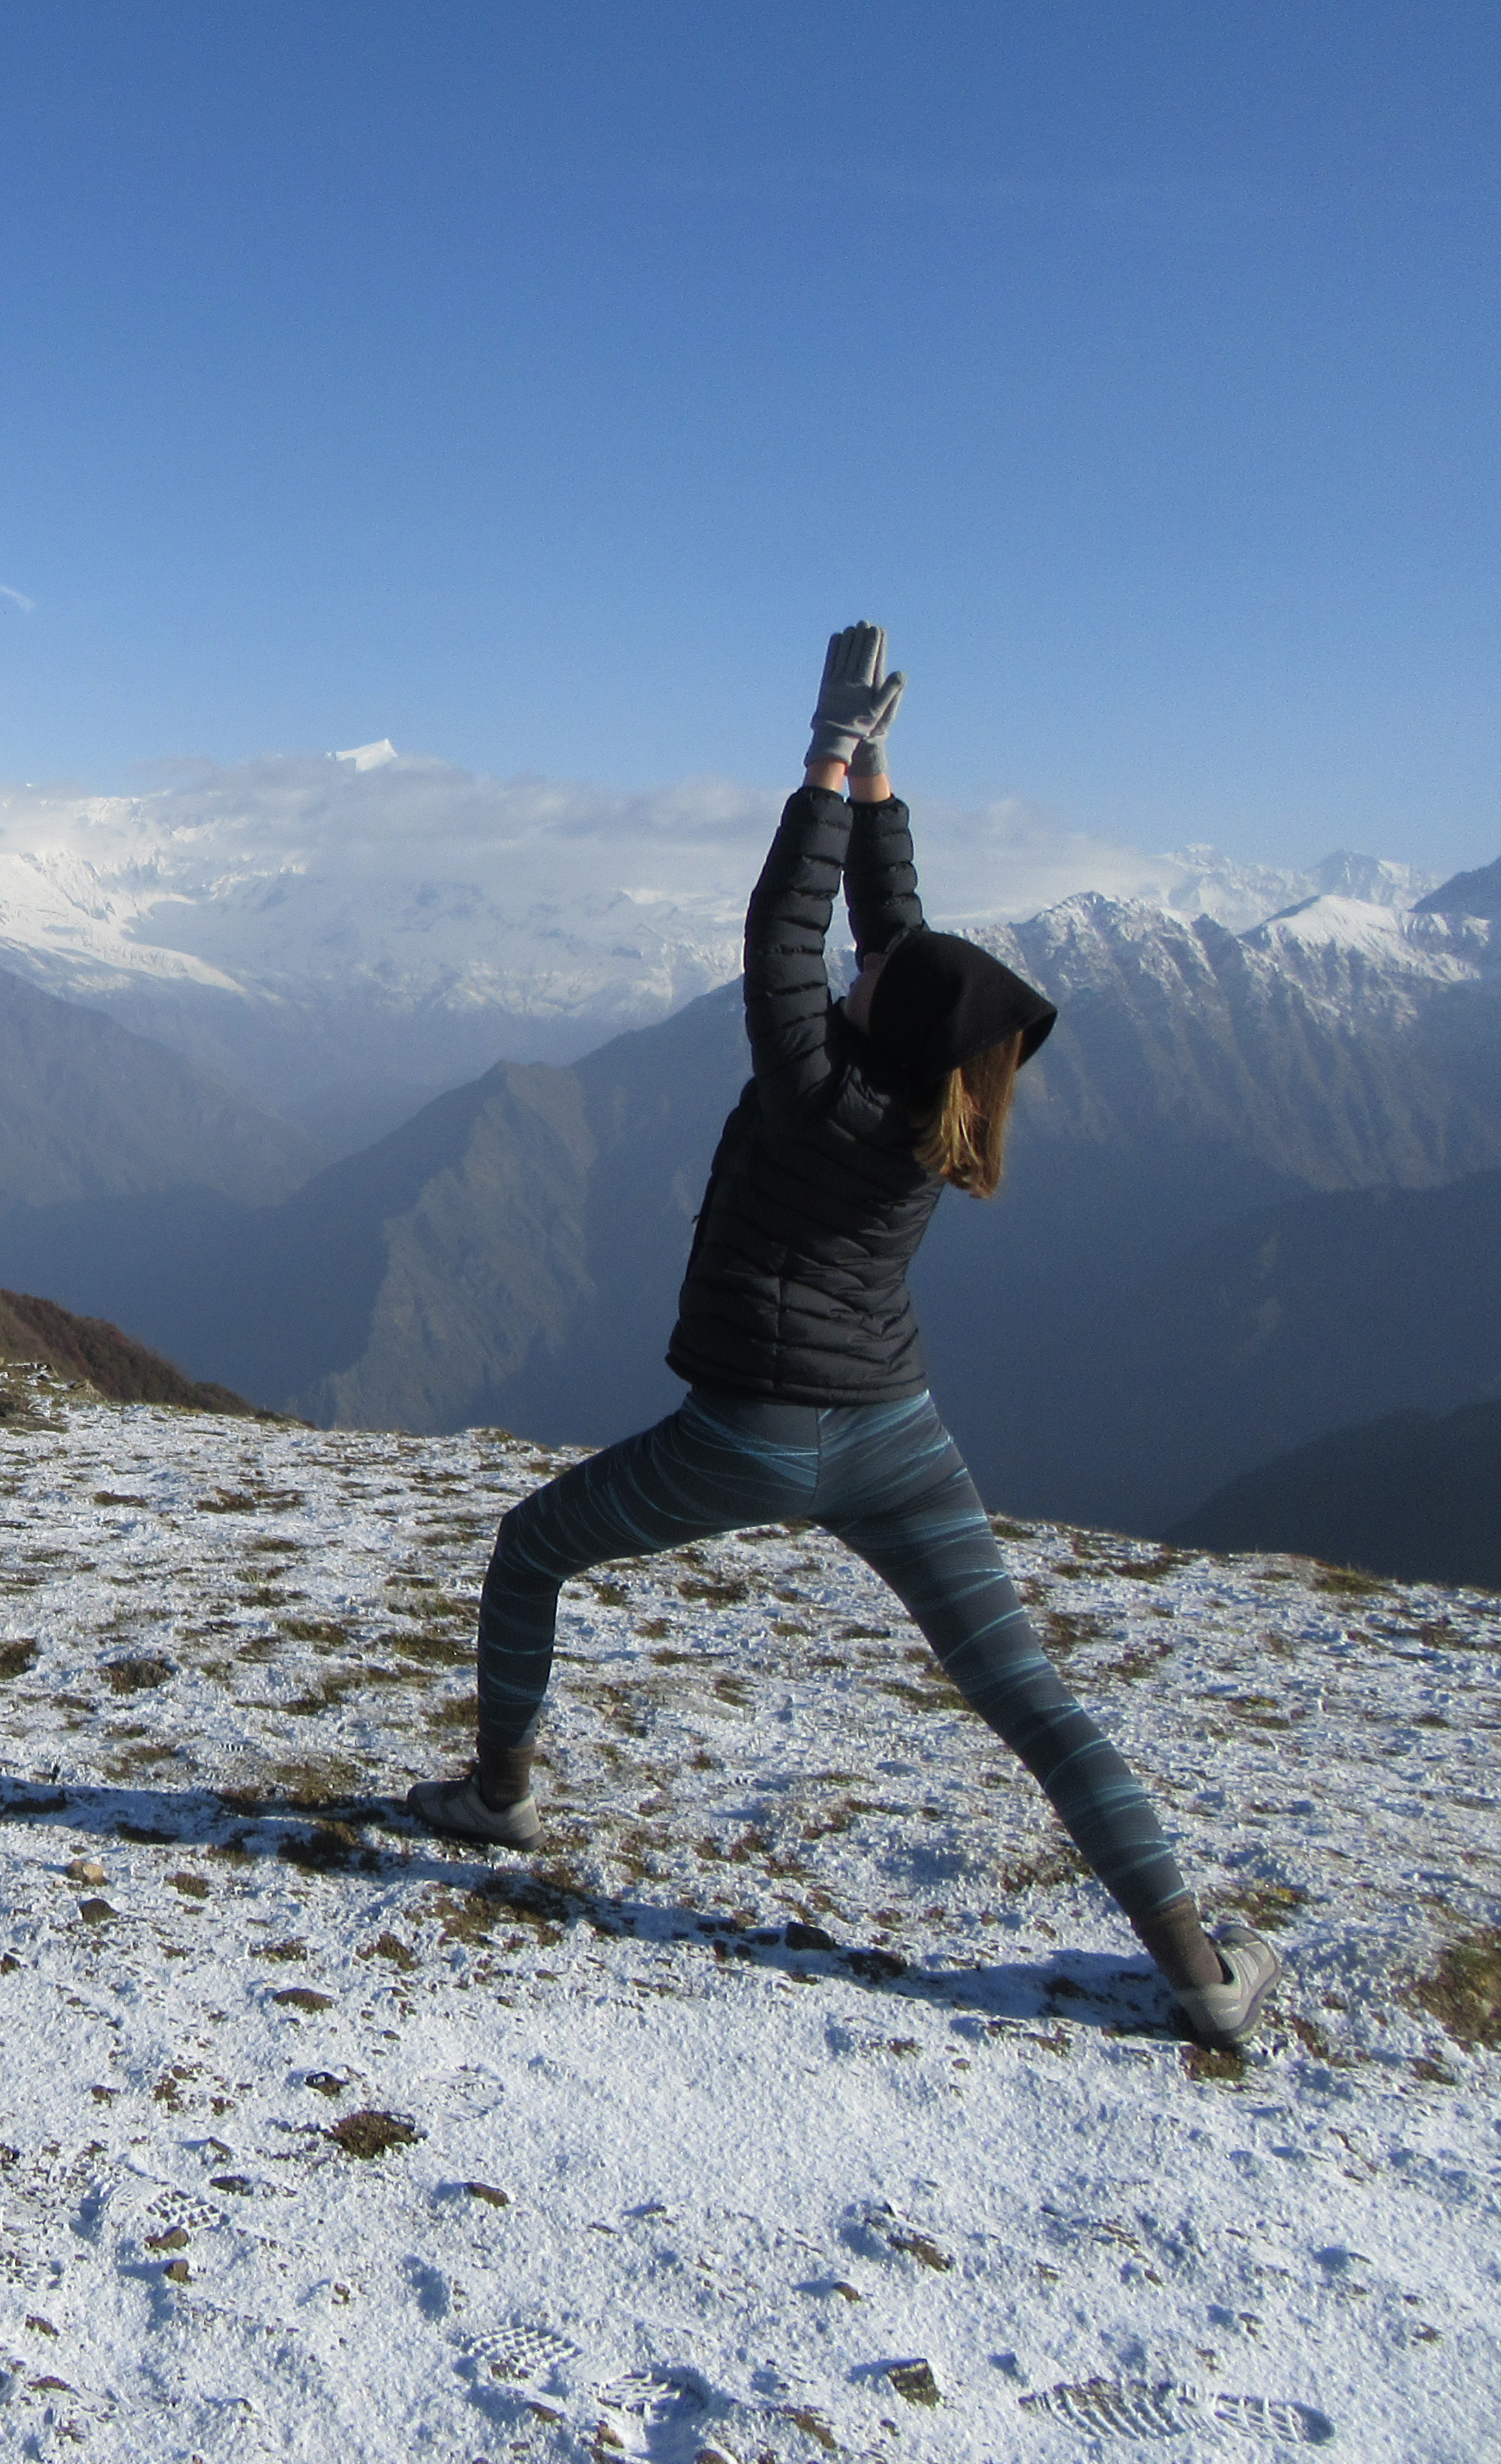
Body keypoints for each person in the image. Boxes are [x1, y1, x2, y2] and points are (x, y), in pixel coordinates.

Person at [401, 625, 1286, 2054]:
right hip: (895, 1433)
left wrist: (818, 758)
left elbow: (781, 941)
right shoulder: (930, 1113)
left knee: (532, 1548)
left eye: (879, 977)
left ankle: (499, 1791)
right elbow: (897, 935)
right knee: (1028, 1695)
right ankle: (1196, 1964)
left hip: (749, 1435)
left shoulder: (815, 1085)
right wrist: (880, 774)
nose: (868, 970)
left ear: (878, 1021)